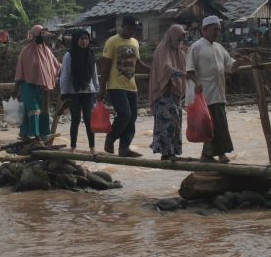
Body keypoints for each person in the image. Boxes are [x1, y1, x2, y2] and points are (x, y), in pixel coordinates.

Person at [185, 15, 239, 163]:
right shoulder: (196, 47)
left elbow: (230, 66)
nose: (217, 33)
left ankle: (216, 154)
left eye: (219, 30)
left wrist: (241, 61)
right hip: (205, 95)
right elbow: (189, 70)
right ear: (204, 30)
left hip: (219, 93)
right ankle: (210, 155)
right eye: (215, 29)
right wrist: (197, 82)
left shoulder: (219, 48)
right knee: (212, 125)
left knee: (220, 124)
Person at [97, 14, 149, 157]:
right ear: (122, 27)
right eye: (129, 28)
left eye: (134, 29)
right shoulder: (112, 41)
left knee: (132, 117)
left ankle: (124, 148)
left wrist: (153, 70)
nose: (132, 31)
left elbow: (137, 64)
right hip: (115, 86)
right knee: (124, 114)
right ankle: (111, 137)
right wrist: (102, 87)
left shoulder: (135, 43)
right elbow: (105, 66)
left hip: (131, 86)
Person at [13, 24, 60, 144]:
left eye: (44, 34)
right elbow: (19, 71)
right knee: (33, 110)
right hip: (28, 86)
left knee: (43, 110)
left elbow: (56, 65)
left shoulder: (47, 51)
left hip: (42, 88)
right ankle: (35, 137)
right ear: (34, 35)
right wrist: (16, 88)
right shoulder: (25, 52)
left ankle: (42, 134)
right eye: (40, 34)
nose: (42, 36)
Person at [148, 24, 187, 160]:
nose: (179, 43)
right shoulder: (162, 49)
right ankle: (166, 152)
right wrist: (180, 73)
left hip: (174, 92)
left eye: (181, 40)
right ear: (171, 37)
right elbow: (165, 67)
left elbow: (184, 64)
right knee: (166, 121)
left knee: (176, 120)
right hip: (164, 92)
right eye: (177, 40)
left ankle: (173, 151)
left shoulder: (179, 51)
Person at [59, 29, 100, 153]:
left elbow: (94, 73)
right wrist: (64, 92)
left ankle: (92, 147)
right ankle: (73, 147)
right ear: (76, 40)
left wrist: (97, 89)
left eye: (86, 39)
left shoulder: (90, 54)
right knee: (75, 119)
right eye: (82, 39)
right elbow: (65, 75)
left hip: (88, 92)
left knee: (89, 119)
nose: (84, 41)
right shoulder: (69, 55)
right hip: (73, 91)